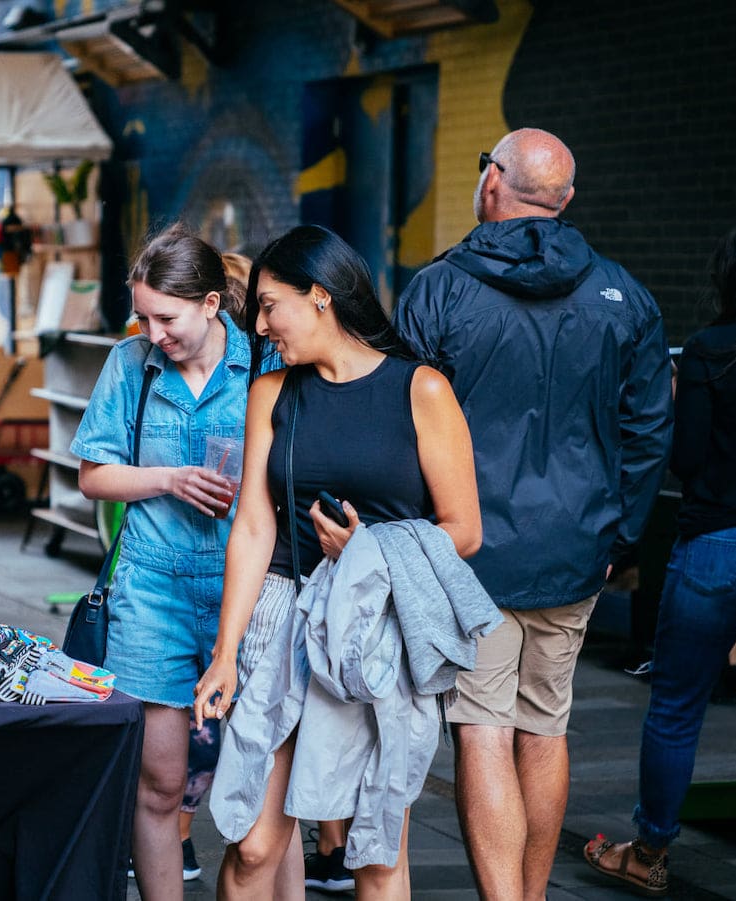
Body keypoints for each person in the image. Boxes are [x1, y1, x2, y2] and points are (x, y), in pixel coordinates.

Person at [394, 128, 673, 901]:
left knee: (481, 727)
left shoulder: (439, 289)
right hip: (578, 548)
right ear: (565, 201)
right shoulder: (626, 295)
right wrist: (619, 537)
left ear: (492, 183)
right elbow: (649, 430)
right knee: (545, 724)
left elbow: (403, 425)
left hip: (470, 552)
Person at [194, 225, 482, 901]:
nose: (261, 326)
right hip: (282, 613)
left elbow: (464, 529)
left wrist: (369, 553)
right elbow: (254, 527)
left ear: (320, 295)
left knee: (376, 853)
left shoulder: (421, 389)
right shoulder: (273, 393)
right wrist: (225, 651)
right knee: (256, 841)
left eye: (270, 306)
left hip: (376, 627)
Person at [583, 218, 736, 901]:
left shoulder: (709, 350)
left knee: (676, 708)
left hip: (715, 548)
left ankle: (650, 849)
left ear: (733, 277)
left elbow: (687, 461)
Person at [71, 225, 250, 901]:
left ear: (211, 303)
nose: (153, 332)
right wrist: (169, 479)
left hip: (248, 588)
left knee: (261, 777)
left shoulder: (259, 365)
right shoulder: (130, 364)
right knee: (160, 782)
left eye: (166, 317)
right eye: (142, 316)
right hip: (151, 588)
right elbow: (93, 475)